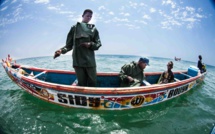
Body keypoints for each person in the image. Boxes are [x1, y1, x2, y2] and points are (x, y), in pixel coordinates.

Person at [53, 9, 102, 87]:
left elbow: (98, 44)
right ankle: (82, 98)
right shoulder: (74, 28)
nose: (89, 18)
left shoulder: (93, 29)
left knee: (93, 82)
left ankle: (92, 97)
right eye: (87, 16)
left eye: (90, 16)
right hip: (78, 61)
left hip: (90, 62)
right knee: (82, 83)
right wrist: (61, 51)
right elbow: (69, 45)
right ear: (82, 16)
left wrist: (90, 44)